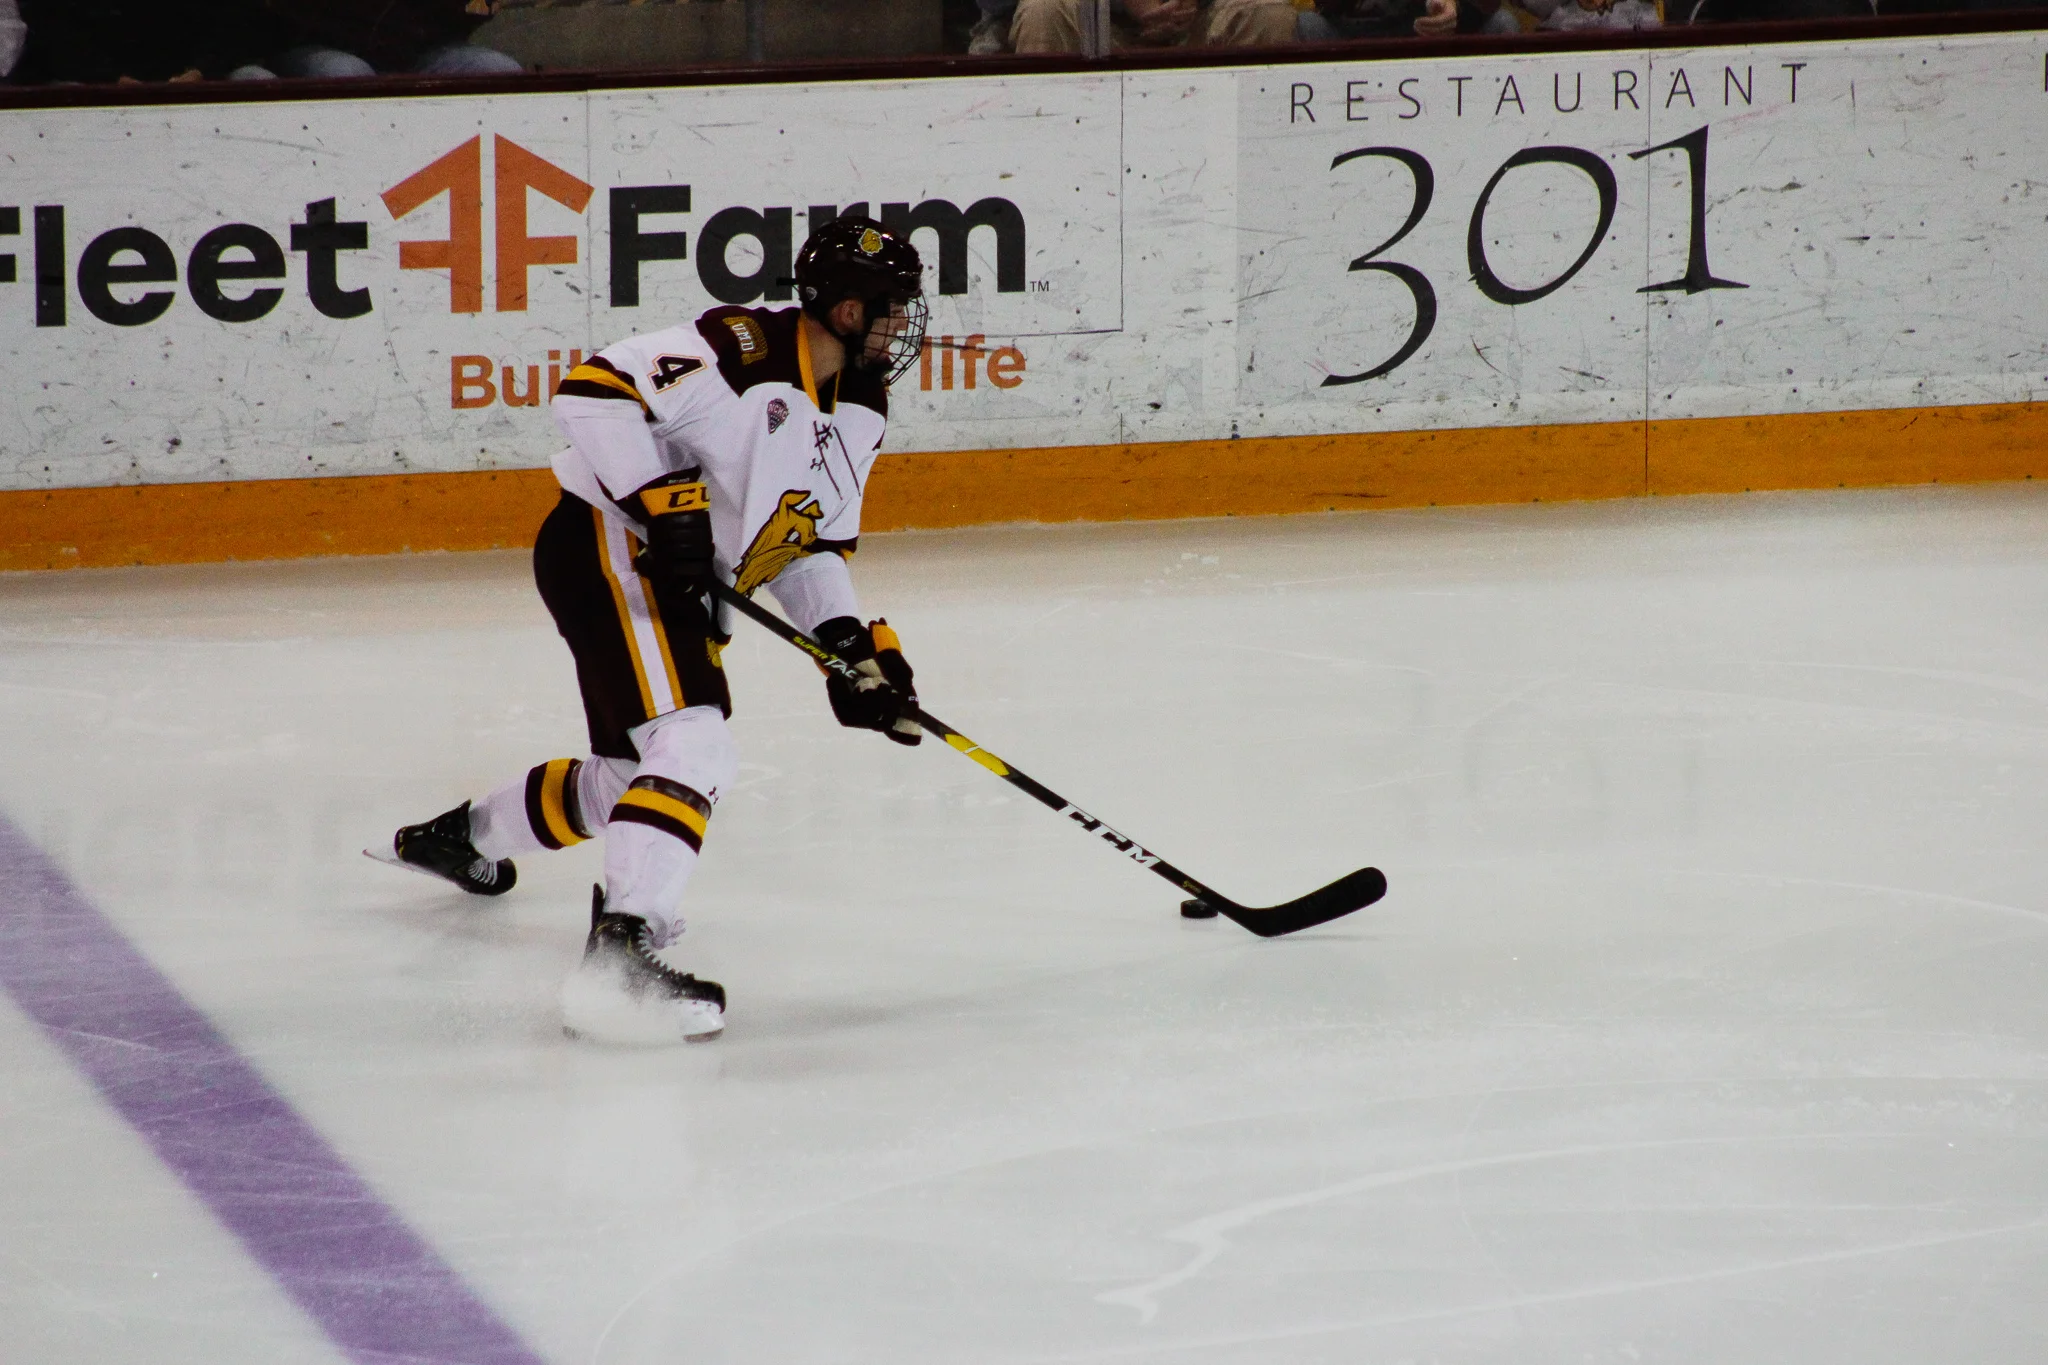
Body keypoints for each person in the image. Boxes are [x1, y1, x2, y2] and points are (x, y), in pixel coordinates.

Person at [375, 217, 929, 1044]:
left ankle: (462, 836)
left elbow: (805, 547)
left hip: (678, 581)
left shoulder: (863, 409)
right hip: (608, 545)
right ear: (849, 311)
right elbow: (590, 391)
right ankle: (622, 952)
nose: (904, 326)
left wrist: (848, 649)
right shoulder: (740, 349)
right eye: (893, 308)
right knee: (694, 743)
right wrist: (663, 503)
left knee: (632, 778)